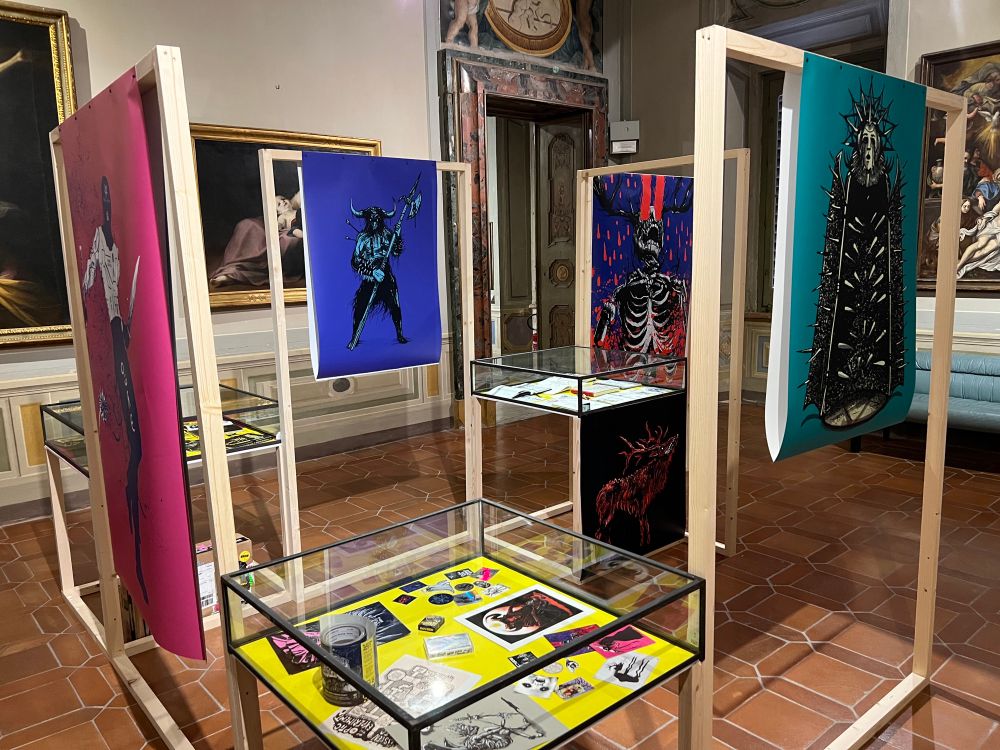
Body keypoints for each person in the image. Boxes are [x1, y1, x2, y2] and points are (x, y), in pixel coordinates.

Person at [82, 177, 148, 602]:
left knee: (135, 442)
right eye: (103, 198)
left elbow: (119, 291)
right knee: (124, 441)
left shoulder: (118, 243)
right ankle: (132, 552)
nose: (108, 206)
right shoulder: (96, 243)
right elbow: (89, 283)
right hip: (109, 337)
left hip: (121, 332)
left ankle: (139, 549)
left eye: (110, 198)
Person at [209, 192, 303, 289]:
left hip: (297, 228)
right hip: (289, 230)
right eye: (279, 204)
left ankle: (231, 275)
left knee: (294, 236)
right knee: (292, 234)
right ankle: (230, 274)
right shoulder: (282, 217)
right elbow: (278, 227)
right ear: (277, 212)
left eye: (283, 199)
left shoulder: (297, 210)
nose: (283, 202)